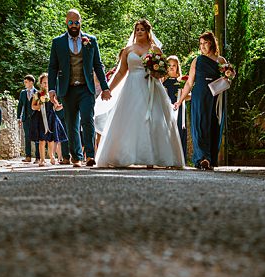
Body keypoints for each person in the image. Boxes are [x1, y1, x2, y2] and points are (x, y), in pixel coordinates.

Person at [93, 19, 185, 169]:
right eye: (137, 29)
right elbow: (121, 72)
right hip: (132, 88)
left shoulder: (155, 50)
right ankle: (125, 156)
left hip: (152, 88)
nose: (139, 31)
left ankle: (154, 157)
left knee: (154, 119)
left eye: (142, 29)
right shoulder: (128, 50)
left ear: (148, 31)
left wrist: (156, 73)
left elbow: (162, 73)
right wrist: (108, 89)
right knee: (130, 120)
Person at [47, 9, 111, 167]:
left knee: (88, 120)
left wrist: (105, 87)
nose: (74, 25)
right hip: (67, 89)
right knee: (71, 123)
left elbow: (97, 65)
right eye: (71, 22)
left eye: (77, 22)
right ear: (66, 22)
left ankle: (90, 155)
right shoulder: (58, 42)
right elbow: (53, 67)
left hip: (86, 88)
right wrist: (52, 89)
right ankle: (76, 156)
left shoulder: (91, 40)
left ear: (80, 22)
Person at [175, 32, 229, 170]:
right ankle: (202, 158)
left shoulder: (221, 61)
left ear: (212, 43)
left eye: (205, 43)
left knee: (213, 125)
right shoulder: (197, 60)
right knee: (200, 125)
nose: (202, 46)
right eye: (200, 43)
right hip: (200, 94)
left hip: (215, 95)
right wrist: (180, 100)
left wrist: (229, 76)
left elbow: (228, 79)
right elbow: (189, 83)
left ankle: (210, 158)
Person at [163, 55, 189, 164]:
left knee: (179, 130)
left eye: (174, 65)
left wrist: (182, 98)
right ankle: (168, 158)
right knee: (169, 131)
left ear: (178, 67)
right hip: (168, 109)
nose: (172, 68)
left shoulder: (182, 81)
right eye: (169, 65)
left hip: (180, 108)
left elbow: (189, 95)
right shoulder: (164, 82)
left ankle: (180, 159)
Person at [15, 74, 37, 163]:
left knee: (36, 137)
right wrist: (18, 118)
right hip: (25, 119)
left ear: (31, 82)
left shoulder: (37, 92)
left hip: (35, 118)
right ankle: (28, 156)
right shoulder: (23, 93)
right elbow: (20, 105)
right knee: (27, 137)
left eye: (26, 82)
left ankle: (38, 157)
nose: (25, 84)